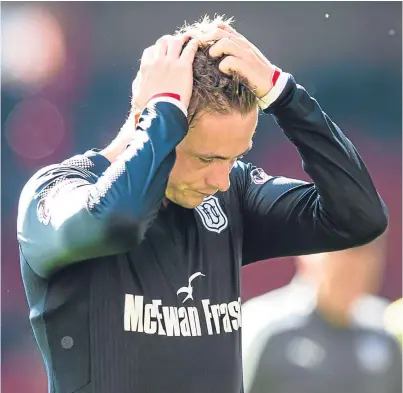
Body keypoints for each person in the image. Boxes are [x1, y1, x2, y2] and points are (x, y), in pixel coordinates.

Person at [17, 15, 388, 393]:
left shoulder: (231, 194)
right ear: (155, 123)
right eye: (208, 159)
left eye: (235, 157)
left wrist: (285, 95)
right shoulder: (56, 190)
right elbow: (118, 221)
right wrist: (163, 110)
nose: (222, 179)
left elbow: (359, 217)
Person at [242, 236, 402, 393]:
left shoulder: (384, 335)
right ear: (308, 255)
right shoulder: (265, 328)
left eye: (366, 250)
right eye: (341, 250)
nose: (355, 262)